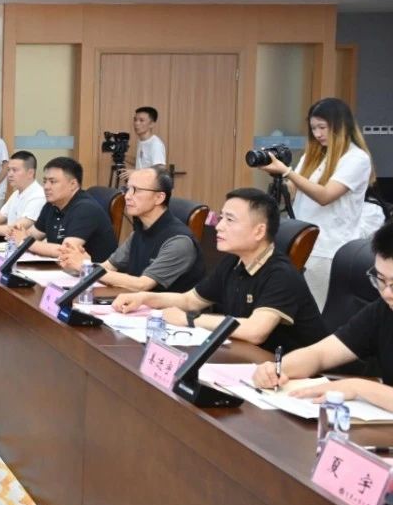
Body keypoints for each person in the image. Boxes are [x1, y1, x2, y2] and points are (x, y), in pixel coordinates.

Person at [113, 188, 326, 352]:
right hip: (248, 359)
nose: (219, 226)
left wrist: (190, 320)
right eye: (221, 217)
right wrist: (144, 298)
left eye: (229, 220)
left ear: (259, 231)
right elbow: (190, 301)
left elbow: (255, 331)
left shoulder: (281, 274)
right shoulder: (233, 262)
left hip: (298, 376)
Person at [253, 220, 393, 410]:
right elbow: (320, 354)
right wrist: (277, 368)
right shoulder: (383, 309)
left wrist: (357, 387)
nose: (386, 293)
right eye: (381, 279)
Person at [252, 97, 374, 309]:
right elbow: (292, 191)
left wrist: (287, 172)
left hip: (328, 249)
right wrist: (278, 175)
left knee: (317, 310)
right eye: (313, 128)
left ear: (340, 126)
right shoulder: (313, 155)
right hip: (300, 242)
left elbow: (325, 196)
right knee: (290, 307)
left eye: (322, 127)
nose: (317, 134)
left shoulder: (356, 158)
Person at [58, 166, 202, 293]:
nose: (127, 196)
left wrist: (88, 267)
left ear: (159, 197)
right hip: (135, 305)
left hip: (168, 312)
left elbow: (142, 285)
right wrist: (77, 262)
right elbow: (108, 267)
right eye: (127, 189)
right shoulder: (140, 231)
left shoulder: (179, 242)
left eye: (136, 190)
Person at [11, 157, 117, 262]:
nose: (46, 187)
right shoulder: (51, 205)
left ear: (73, 184)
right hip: (62, 267)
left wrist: (25, 242)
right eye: (45, 181)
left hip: (92, 271)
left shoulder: (86, 209)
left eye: (52, 182)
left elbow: (67, 252)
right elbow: (33, 235)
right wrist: (17, 233)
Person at [0, 151, 45, 237]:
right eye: (8, 170)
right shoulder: (16, 193)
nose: (10, 174)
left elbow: (16, 228)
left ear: (30, 173)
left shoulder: (39, 196)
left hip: (23, 244)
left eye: (14, 170)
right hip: (11, 242)